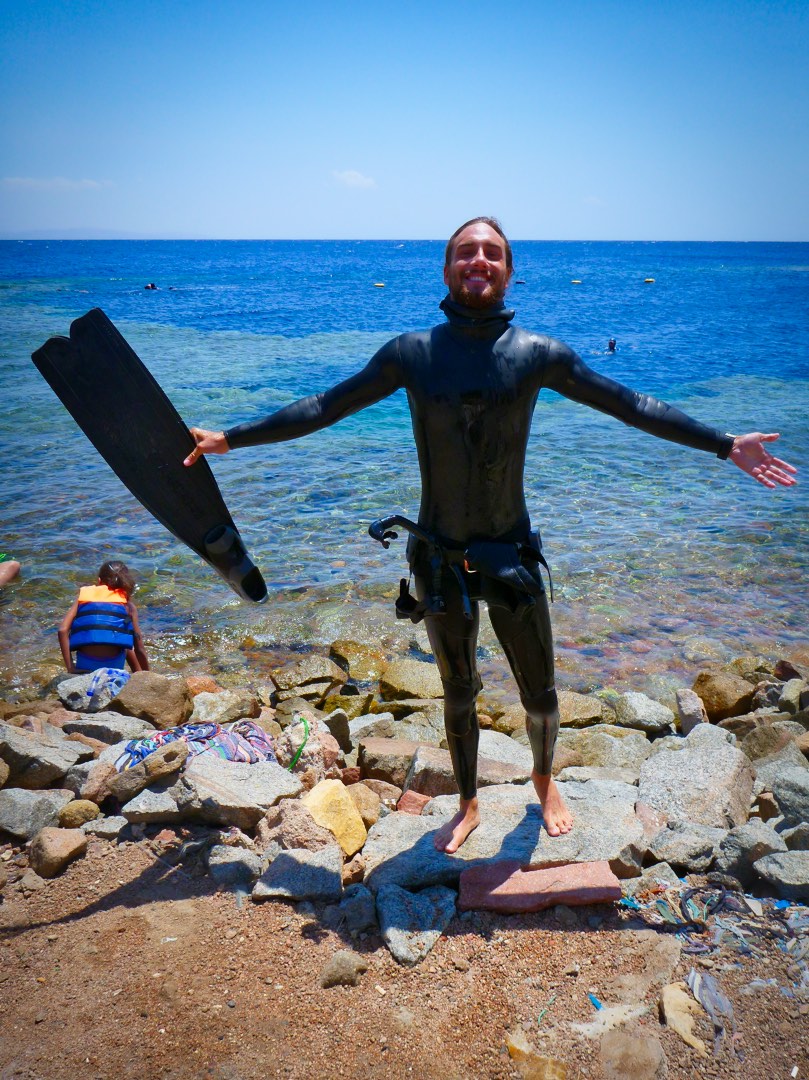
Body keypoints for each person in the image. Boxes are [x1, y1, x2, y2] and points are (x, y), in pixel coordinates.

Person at [183, 216, 797, 853]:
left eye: (492, 253)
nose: (479, 261)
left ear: (508, 271)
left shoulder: (538, 356)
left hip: (513, 555)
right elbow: (322, 407)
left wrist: (724, 445)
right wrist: (232, 438)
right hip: (438, 558)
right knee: (457, 692)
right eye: (466, 252)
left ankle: (542, 777)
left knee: (541, 695)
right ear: (447, 269)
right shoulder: (410, 354)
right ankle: (469, 802)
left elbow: (632, 405)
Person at [58, 560, 150, 674]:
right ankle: (139, 673)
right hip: (113, 666)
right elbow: (139, 649)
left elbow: (62, 630)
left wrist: (70, 668)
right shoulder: (128, 606)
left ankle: (138, 672)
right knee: (123, 638)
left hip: (85, 664)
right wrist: (149, 676)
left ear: (99, 581)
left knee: (110, 634)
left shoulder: (83, 598)